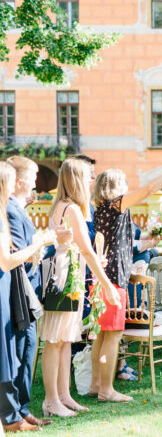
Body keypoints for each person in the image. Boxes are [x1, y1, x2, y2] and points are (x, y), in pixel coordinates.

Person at [91, 160, 162, 401]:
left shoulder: (105, 209)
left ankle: (96, 385)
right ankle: (106, 390)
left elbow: (121, 242)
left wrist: (148, 239)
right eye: (123, 182)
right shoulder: (114, 206)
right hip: (113, 278)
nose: (127, 186)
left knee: (102, 335)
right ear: (113, 186)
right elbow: (147, 190)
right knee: (113, 335)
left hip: (105, 278)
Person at [39, 158, 120, 418]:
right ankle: (51, 400)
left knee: (64, 340)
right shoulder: (72, 208)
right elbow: (85, 248)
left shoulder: (65, 206)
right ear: (76, 179)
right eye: (87, 176)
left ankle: (64, 395)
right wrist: (106, 285)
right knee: (55, 340)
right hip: (65, 276)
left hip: (69, 273)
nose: (90, 181)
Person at [0, 162, 56, 432]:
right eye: (33, 177)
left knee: (25, 349)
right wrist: (41, 244)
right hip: (15, 289)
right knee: (16, 351)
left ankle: (19, 410)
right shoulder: (9, 209)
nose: (36, 182)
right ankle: (12, 414)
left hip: (23, 287)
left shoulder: (14, 208)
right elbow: (14, 256)